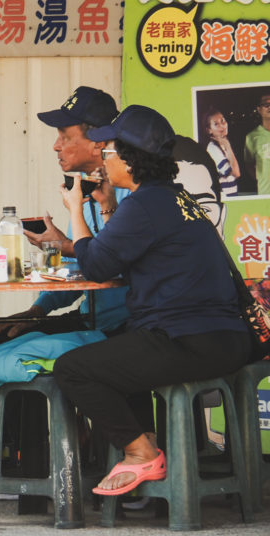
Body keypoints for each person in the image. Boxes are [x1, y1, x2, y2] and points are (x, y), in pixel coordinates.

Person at [52, 105, 251, 496]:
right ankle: (145, 476)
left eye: (108, 152)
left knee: (73, 368)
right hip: (224, 338)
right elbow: (117, 254)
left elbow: (95, 265)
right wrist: (108, 205)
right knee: (120, 348)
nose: (105, 160)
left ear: (131, 159)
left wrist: (76, 210)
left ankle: (141, 453)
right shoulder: (177, 199)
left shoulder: (145, 205)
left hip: (189, 341)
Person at [0, 86, 129, 344]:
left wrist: (66, 246)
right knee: (3, 337)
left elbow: (118, 262)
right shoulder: (84, 191)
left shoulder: (131, 190)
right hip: (93, 319)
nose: (56, 146)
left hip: (129, 326)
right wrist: (37, 311)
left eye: (64, 136)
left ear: (98, 142)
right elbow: (79, 269)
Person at [202, 108, 239, 197]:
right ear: (209, 130)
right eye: (216, 124)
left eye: (223, 121)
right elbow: (236, 173)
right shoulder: (213, 149)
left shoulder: (221, 145)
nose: (222, 126)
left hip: (231, 195)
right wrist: (228, 146)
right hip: (224, 197)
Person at [244, 93, 270, 194]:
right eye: (265, 104)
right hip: (265, 192)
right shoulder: (252, 136)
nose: (269, 107)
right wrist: (261, 178)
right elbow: (248, 163)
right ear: (259, 109)